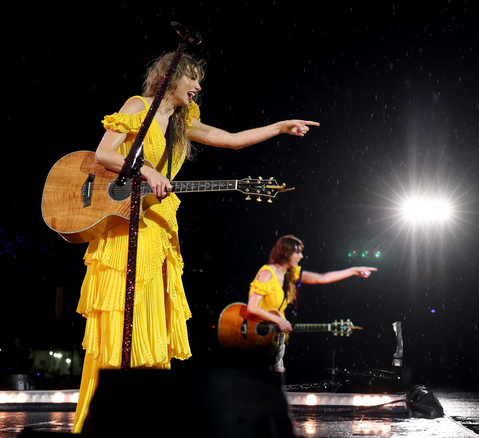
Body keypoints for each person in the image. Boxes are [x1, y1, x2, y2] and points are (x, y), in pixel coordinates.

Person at [73, 52, 320, 433]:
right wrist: (147, 169)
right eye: (193, 77)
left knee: (152, 326)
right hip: (124, 232)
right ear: (169, 78)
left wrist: (280, 126)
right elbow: (105, 153)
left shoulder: (182, 122)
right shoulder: (137, 107)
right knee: (124, 326)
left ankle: (145, 422)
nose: (199, 86)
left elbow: (233, 140)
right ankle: (106, 421)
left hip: (157, 230)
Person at [241, 235, 377, 375]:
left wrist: (353, 271)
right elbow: (252, 307)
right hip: (256, 338)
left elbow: (321, 278)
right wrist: (278, 320)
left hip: (274, 340)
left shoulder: (290, 274)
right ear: (286, 252)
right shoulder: (266, 273)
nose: (301, 256)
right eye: (297, 252)